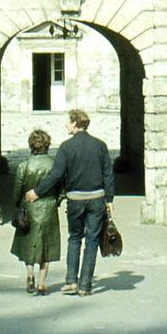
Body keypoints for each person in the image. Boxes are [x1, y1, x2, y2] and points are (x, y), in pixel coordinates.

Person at [26, 108, 114, 297]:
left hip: (75, 200)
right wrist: (110, 199)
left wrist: (37, 192)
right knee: (91, 241)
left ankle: (71, 281)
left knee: (75, 238)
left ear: (75, 123)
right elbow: (108, 174)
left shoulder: (66, 147)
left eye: (68, 121)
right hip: (97, 198)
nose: (66, 124)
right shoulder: (100, 145)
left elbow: (56, 175)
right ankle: (85, 285)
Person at [11, 129, 61, 295]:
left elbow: (18, 189)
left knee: (28, 244)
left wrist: (18, 202)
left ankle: (29, 273)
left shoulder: (24, 165)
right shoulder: (54, 164)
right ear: (47, 144)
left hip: (30, 208)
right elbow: (62, 187)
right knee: (46, 247)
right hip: (48, 207)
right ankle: (41, 282)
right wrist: (57, 201)